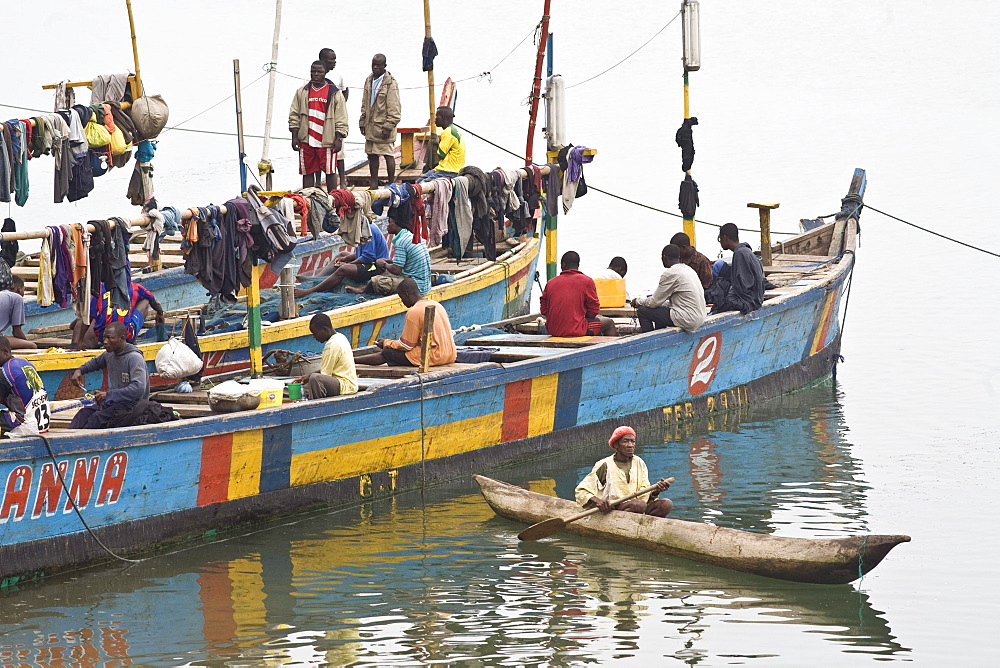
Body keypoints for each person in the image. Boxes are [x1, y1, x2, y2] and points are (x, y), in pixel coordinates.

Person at [354, 277, 456, 367]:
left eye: (402, 298)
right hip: (450, 354)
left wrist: (386, 343)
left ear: (406, 294)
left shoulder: (414, 311)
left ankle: (353, 361)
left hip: (433, 357)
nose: (402, 302)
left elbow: (406, 345)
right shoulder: (436, 304)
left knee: (388, 353)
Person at [574, 426, 672, 517]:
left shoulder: (639, 462)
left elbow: (644, 494)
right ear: (616, 445)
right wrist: (598, 501)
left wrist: (656, 491)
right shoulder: (605, 464)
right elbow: (581, 491)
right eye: (626, 441)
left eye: (632, 442)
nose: (630, 445)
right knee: (638, 505)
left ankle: (643, 528)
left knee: (666, 504)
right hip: (614, 509)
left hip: (638, 506)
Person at [68, 321, 149, 429]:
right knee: (83, 414)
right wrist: (79, 371)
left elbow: (138, 389)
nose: (105, 342)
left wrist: (108, 395)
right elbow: (95, 363)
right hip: (116, 401)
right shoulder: (109, 354)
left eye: (110, 338)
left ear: (122, 338)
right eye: (104, 338)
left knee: (97, 418)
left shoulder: (134, 358)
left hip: (133, 405)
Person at [289, 60, 348, 190]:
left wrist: (339, 139)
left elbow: (341, 118)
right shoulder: (302, 91)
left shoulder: (334, 93)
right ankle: (308, 201)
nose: (316, 74)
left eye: (319, 72)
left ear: (325, 73)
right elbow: (294, 115)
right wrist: (294, 136)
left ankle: (333, 200)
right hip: (306, 139)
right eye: (313, 72)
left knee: (330, 171)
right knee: (307, 172)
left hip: (327, 140)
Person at [294, 220, 389, 297]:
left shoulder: (368, 229)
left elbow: (369, 257)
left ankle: (310, 291)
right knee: (342, 255)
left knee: (344, 269)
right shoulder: (361, 225)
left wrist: (349, 264)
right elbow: (362, 253)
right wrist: (347, 258)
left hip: (376, 267)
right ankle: (316, 279)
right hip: (369, 263)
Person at [630, 244, 706, 333]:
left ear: (665, 257)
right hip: (700, 318)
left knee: (643, 311)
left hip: (688, 319)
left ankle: (650, 340)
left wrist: (638, 301)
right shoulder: (689, 269)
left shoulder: (670, 273)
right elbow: (665, 302)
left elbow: (654, 302)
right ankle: (659, 334)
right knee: (659, 311)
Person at [345, 218, 431, 296]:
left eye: (390, 222)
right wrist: (388, 261)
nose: (387, 225)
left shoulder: (400, 242)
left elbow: (396, 270)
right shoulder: (408, 236)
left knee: (377, 281)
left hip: (416, 285)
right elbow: (404, 262)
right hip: (421, 281)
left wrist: (384, 264)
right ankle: (363, 288)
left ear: (396, 224)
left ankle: (362, 290)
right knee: (384, 274)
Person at [540, 251, 617, 337]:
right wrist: (587, 317)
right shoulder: (587, 281)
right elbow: (594, 309)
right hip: (575, 330)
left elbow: (544, 310)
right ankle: (614, 350)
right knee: (609, 323)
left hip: (553, 330)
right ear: (578, 265)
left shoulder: (550, 283)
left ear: (563, 264)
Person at [72, 281, 164, 349]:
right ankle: (132, 339)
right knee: (145, 300)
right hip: (126, 336)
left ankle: (78, 344)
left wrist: (79, 340)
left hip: (103, 336)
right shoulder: (135, 287)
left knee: (89, 314)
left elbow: (88, 316)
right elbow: (154, 301)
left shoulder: (99, 288)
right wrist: (160, 313)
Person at [359, 53, 401, 189]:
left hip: (383, 126)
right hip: (371, 126)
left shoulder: (390, 83)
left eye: (378, 65)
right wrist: (362, 121)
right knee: (371, 155)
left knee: (388, 154)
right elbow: (365, 103)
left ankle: (391, 183)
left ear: (385, 66)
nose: (375, 68)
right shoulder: (368, 80)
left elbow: (394, 108)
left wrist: (388, 126)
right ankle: (374, 183)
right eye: (373, 65)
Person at [295, 313, 358, 399]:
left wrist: (311, 376)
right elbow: (327, 369)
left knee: (315, 379)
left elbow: (324, 375)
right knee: (310, 380)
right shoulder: (340, 336)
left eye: (315, 333)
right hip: (350, 385)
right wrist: (308, 376)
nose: (314, 337)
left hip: (345, 387)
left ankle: (316, 404)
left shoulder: (331, 345)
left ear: (324, 329)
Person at [0, 335, 48, 437]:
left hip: (25, 427)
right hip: (41, 425)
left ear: (5, 352)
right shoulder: (25, 363)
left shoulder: (6, 372)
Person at [713, 222, 765, 315]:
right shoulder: (746, 251)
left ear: (725, 238)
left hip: (751, 302)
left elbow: (743, 287)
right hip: (755, 298)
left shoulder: (740, 254)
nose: (720, 242)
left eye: (720, 239)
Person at [319, 48, 349, 189]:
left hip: (335, 117)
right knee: (318, 152)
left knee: (339, 152)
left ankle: (342, 180)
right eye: (332, 59)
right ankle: (318, 183)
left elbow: (345, 91)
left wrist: (340, 107)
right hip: (319, 119)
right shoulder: (313, 76)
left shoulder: (337, 76)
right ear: (323, 60)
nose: (334, 62)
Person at [418, 106, 465, 181]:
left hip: (450, 171)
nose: (435, 119)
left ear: (443, 117)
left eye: (437, 116)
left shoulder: (447, 133)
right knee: (420, 180)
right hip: (445, 168)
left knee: (422, 183)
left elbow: (440, 154)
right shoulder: (453, 130)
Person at [0, 277, 36, 349]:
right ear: (19, 289)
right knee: (32, 346)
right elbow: (17, 332)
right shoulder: (17, 298)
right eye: (24, 289)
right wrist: (27, 342)